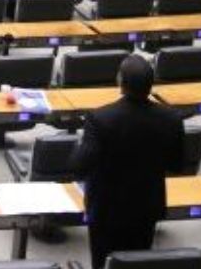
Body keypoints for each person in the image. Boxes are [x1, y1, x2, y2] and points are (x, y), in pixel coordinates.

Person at [71, 54, 185, 269]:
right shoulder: (171, 118)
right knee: (137, 262)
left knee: (103, 262)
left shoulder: (99, 119)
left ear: (121, 83)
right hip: (147, 205)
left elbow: (79, 167)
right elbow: (176, 165)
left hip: (106, 209)